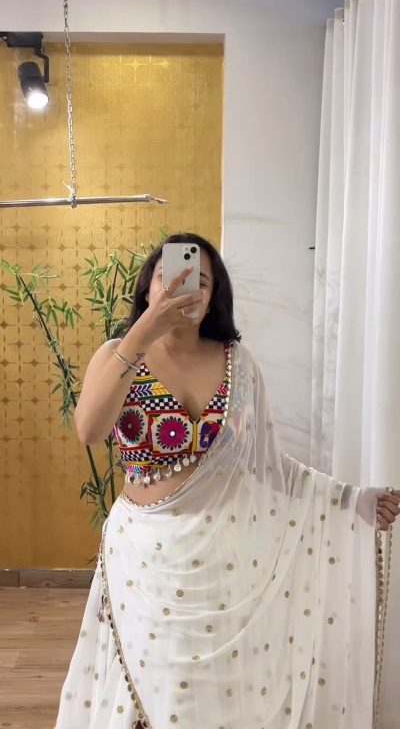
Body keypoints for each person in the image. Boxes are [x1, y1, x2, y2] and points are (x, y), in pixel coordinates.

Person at [54, 232, 399, 729]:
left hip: (226, 556)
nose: (183, 286)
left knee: (216, 691)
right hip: (145, 558)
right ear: (147, 288)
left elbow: (269, 464)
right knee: (155, 681)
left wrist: (352, 500)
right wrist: (141, 335)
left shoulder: (238, 363)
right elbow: (90, 430)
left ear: (214, 295)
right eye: (167, 276)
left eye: (200, 280)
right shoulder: (118, 354)